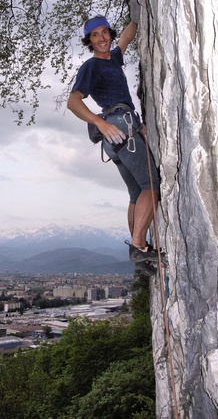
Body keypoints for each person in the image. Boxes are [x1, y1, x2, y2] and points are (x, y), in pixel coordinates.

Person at [67, 16, 161, 264]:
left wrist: (137, 15)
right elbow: (73, 101)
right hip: (118, 126)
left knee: (135, 192)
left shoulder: (113, 59)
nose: (101, 38)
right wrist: (100, 122)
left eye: (104, 32)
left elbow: (126, 39)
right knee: (152, 186)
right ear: (89, 41)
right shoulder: (92, 66)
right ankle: (139, 245)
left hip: (117, 134)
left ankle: (138, 246)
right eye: (95, 35)